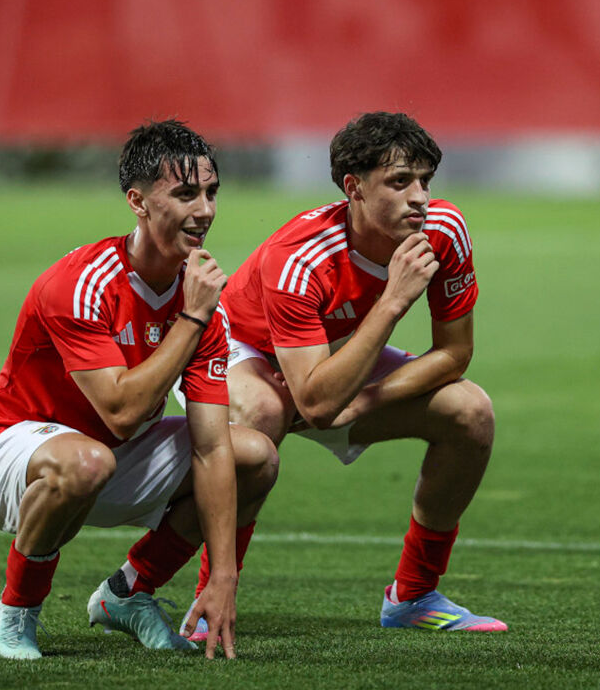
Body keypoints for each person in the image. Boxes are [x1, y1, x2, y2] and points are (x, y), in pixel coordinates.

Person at [0, 120, 278, 660]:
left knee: (254, 456)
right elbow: (123, 411)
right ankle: (13, 613)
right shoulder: (83, 283)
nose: (204, 210)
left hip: (108, 454)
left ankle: (129, 592)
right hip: (4, 449)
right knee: (86, 461)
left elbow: (212, 446)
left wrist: (224, 575)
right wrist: (191, 319)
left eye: (211, 192)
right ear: (138, 202)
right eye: (185, 193)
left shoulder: (202, 307)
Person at [176, 111, 506, 636]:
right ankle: (194, 600)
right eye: (400, 182)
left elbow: (454, 354)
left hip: (331, 350)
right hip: (235, 345)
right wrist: (394, 300)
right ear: (353, 188)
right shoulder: (300, 258)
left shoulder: (442, 230)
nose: (420, 197)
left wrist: (368, 398)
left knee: (471, 412)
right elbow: (317, 404)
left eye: (425, 180)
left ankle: (413, 596)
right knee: (263, 413)